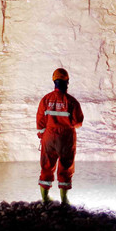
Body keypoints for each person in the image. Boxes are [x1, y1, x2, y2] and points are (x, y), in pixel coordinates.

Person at [36, 68, 83, 205]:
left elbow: (40, 121)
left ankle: (45, 198)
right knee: (66, 166)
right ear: (67, 82)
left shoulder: (45, 99)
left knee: (47, 166)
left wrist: (42, 135)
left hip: (49, 137)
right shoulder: (71, 101)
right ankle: (64, 199)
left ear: (54, 82)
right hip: (66, 138)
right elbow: (78, 122)